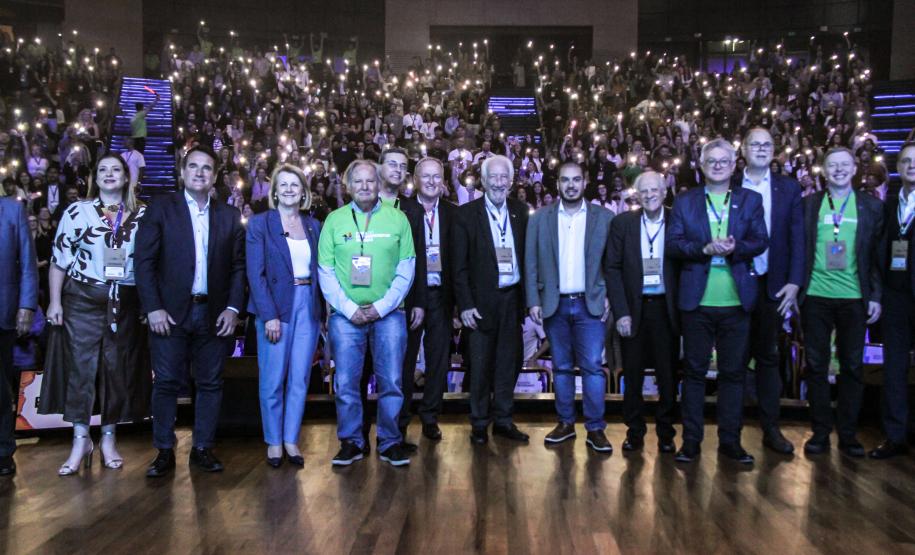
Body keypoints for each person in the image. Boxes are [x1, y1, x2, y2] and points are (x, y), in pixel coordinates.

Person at [135, 145, 246, 477]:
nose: (200, 172)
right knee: (167, 383)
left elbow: (238, 267)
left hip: (213, 313)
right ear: (182, 173)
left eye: (207, 168)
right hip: (168, 314)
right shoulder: (160, 209)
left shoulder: (227, 215)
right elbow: (144, 262)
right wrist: (152, 307)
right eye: (193, 167)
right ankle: (164, 451)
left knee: (210, 383)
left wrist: (232, 308)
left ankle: (202, 447)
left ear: (214, 176)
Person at [43, 152, 150, 475]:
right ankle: (80, 440)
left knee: (116, 370)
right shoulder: (77, 211)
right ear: (95, 176)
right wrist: (55, 301)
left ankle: (108, 438)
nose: (108, 174)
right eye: (102, 169)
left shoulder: (143, 214)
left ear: (126, 176)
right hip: (82, 302)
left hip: (125, 303)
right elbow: (59, 260)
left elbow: (149, 263)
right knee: (81, 369)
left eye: (115, 169)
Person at [667, 138, 768, 465]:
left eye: (724, 161)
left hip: (736, 302)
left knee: (733, 375)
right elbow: (674, 244)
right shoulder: (685, 201)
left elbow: (760, 240)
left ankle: (730, 442)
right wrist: (705, 250)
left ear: (734, 164)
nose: (718, 166)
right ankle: (691, 442)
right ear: (701, 164)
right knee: (694, 375)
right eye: (711, 161)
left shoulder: (750, 200)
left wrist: (734, 248)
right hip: (697, 303)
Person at [317, 159, 415, 467]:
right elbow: (326, 271)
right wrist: (348, 309)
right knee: (346, 382)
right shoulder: (334, 220)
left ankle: (389, 441)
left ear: (379, 182)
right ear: (347, 186)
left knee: (392, 381)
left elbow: (406, 268)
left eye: (370, 181)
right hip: (346, 318)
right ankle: (351, 442)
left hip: (390, 315)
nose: (364, 186)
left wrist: (381, 307)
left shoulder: (398, 219)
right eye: (357, 181)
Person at [800, 147, 883, 458]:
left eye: (844, 165)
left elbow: (875, 257)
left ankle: (848, 434)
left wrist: (875, 295)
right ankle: (820, 432)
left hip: (854, 297)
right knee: (817, 366)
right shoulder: (809, 205)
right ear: (824, 170)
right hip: (816, 297)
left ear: (853, 169)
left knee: (852, 367)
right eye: (832, 165)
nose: (838, 170)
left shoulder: (871, 207)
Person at [525, 162, 614, 452]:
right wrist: (533, 301)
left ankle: (596, 428)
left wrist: (610, 296)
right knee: (561, 368)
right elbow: (531, 263)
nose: (571, 185)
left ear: (585, 182)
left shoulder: (605, 218)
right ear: (558, 184)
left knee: (592, 368)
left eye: (576, 179)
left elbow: (613, 264)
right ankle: (565, 423)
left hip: (591, 305)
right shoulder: (540, 219)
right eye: (565, 180)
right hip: (555, 304)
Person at [246, 164, 322, 468]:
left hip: (308, 306)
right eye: (284, 185)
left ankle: (291, 440)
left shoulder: (314, 225)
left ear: (303, 192)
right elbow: (256, 273)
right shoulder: (260, 224)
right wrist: (269, 315)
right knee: (272, 379)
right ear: (274, 191)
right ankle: (274, 442)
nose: (290, 189)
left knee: (300, 379)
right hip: (275, 306)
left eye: (296, 185)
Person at [736, 128, 805, 454]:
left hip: (774, 286)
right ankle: (730, 433)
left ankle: (771, 429)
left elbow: (797, 237)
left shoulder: (789, 189)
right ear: (744, 150)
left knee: (768, 358)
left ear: (774, 150)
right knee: (733, 360)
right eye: (755, 144)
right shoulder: (731, 185)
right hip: (736, 284)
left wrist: (794, 281)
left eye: (767, 145)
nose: (761, 149)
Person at [453, 154, 530, 444]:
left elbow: (528, 258)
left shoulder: (521, 211)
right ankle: (478, 423)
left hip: (512, 299)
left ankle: (503, 420)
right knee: (481, 364)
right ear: (483, 181)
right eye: (493, 177)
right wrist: (466, 304)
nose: (498, 183)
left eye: (503, 177)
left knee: (508, 362)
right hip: (480, 303)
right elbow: (458, 267)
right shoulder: (466, 214)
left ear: (510, 181)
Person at [605, 171, 679, 453]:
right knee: (632, 375)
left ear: (664, 192)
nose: (649, 195)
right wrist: (621, 312)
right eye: (643, 191)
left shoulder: (676, 220)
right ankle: (634, 431)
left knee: (667, 375)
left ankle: (666, 432)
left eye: (654, 190)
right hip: (633, 310)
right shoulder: (622, 223)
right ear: (637, 195)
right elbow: (612, 269)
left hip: (666, 309)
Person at [398, 157, 457, 442]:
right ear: (415, 181)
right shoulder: (403, 210)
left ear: (443, 181)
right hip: (411, 298)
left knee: (438, 360)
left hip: (441, 297)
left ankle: (430, 416)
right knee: (406, 360)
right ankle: (400, 418)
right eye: (426, 176)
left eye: (437, 177)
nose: (432, 182)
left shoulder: (452, 213)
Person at [871, 141, 915, 459]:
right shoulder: (888, 205)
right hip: (895, 296)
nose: (911, 166)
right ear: (897, 167)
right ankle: (895, 435)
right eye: (905, 161)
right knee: (894, 368)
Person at [0, 187, 37, 477]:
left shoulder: (12, 209)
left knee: (1, 386)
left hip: (4, 311)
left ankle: (3, 450)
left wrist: (27, 304)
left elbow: (27, 262)